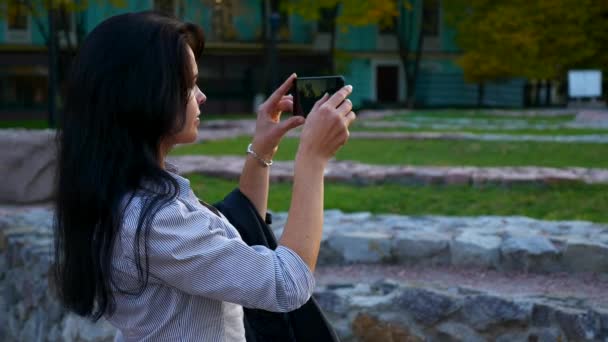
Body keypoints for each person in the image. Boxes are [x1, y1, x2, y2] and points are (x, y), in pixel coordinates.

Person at [52, 11, 355, 341]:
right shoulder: (155, 222)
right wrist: (313, 160)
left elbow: (235, 232)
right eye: (189, 85)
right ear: (144, 94)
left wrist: (262, 149)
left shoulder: (131, 195)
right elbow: (286, 284)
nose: (201, 96)